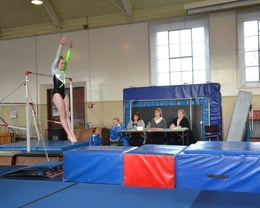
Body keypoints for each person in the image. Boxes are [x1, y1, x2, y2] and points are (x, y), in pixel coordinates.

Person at [51, 36, 77, 143]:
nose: (63, 64)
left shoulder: (63, 71)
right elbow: (58, 57)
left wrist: (70, 49)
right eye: (61, 63)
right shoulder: (54, 69)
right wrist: (61, 45)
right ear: (57, 64)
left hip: (64, 93)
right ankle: (69, 134)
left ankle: (72, 134)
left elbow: (67, 58)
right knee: (62, 114)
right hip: (57, 93)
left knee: (67, 114)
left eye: (63, 64)